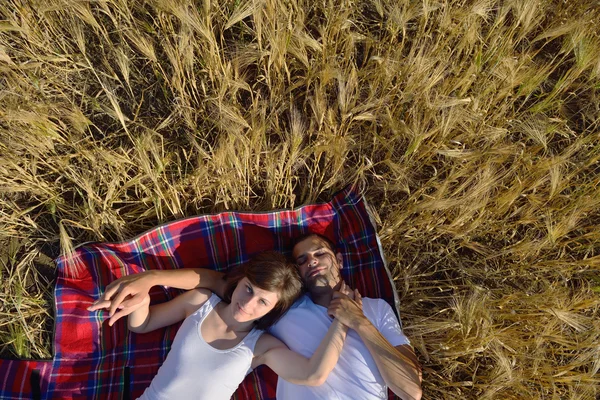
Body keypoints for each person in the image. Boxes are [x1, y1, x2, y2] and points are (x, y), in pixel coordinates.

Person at [91, 234, 423, 400]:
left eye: (319, 252)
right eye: (302, 260)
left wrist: (356, 320)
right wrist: (150, 279)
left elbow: (411, 390)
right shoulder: (287, 304)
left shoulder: (377, 309)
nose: (312, 262)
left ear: (337, 257)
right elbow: (212, 281)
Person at [89, 251, 350, 400]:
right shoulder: (201, 302)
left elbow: (312, 375)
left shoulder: (261, 346)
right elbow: (143, 325)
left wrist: (343, 321)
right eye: (248, 289)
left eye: (263, 302)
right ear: (239, 281)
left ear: (273, 309)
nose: (248, 304)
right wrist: (141, 300)